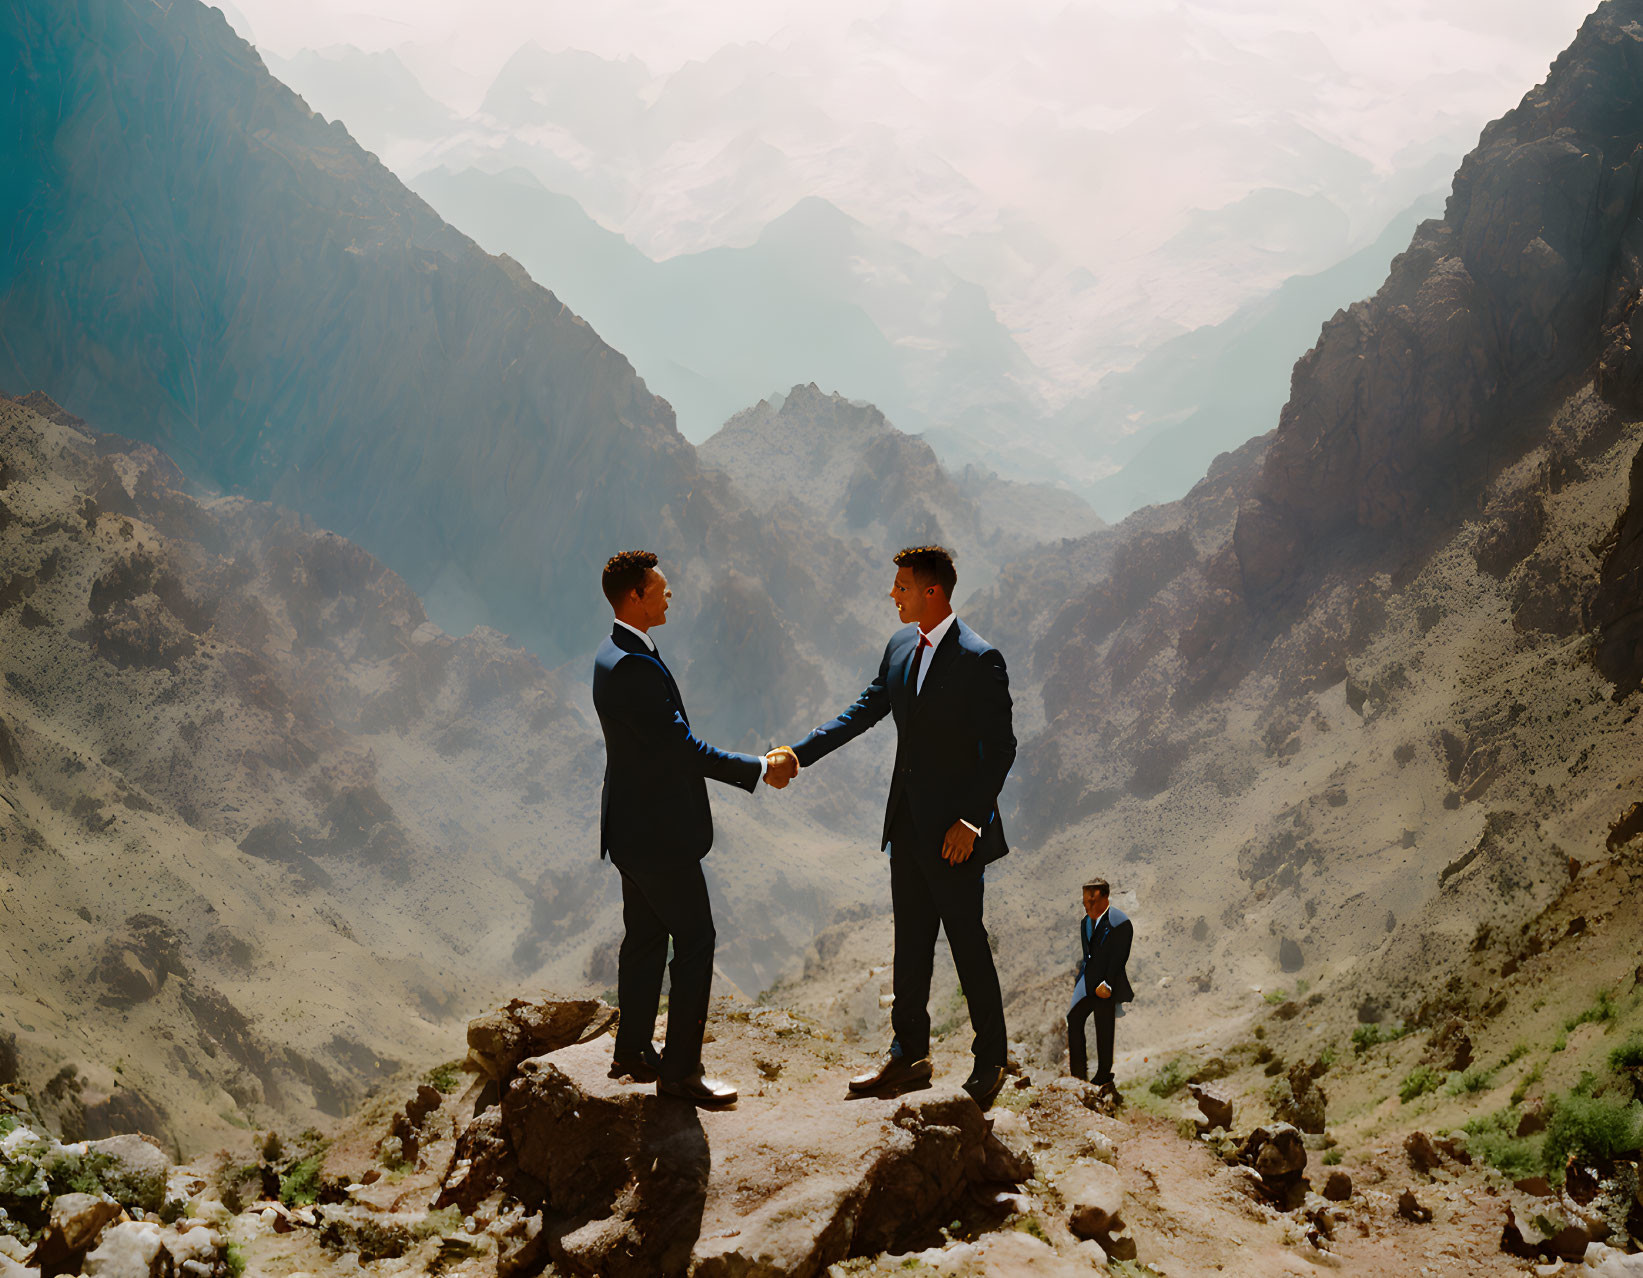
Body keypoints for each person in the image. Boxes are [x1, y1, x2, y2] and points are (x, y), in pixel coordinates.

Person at [767, 545, 1016, 1106]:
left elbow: (1001, 748)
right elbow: (864, 710)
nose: (892, 594)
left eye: (901, 586)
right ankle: (910, 1055)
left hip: (956, 835)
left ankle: (992, 1060)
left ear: (932, 592)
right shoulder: (902, 645)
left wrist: (971, 822)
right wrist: (798, 754)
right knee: (911, 943)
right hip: (906, 825)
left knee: (966, 944)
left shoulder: (981, 659)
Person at [591, 550, 797, 1106]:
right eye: (660, 587)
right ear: (635, 597)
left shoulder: (612, 655)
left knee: (645, 938)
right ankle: (681, 1071)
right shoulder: (634, 667)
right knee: (697, 939)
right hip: (659, 839)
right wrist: (759, 768)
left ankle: (632, 1050)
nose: (669, 593)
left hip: (630, 831)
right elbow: (684, 751)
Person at [1067, 878, 1134, 1089]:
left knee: (1103, 1028)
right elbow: (1089, 955)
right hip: (1088, 983)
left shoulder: (1120, 923)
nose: (1087, 904)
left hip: (1107, 984)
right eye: (1085, 899)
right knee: (1074, 1018)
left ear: (1105, 897)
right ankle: (1078, 1075)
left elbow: (1119, 957)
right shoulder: (1084, 922)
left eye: (1092, 899)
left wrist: (1108, 983)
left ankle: (1104, 1075)